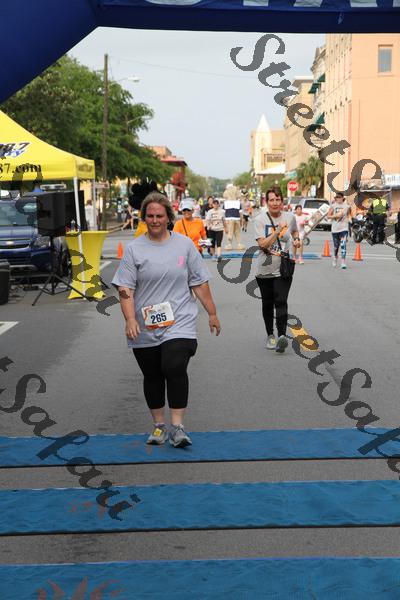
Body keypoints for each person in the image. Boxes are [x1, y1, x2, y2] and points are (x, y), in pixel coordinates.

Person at [112, 192, 221, 448]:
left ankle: (178, 427)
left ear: (168, 217)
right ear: (143, 217)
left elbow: (199, 282)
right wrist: (129, 318)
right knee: (152, 375)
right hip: (145, 324)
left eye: (159, 216)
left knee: (174, 366)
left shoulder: (184, 246)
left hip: (179, 321)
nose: (154, 220)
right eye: (150, 216)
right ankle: (159, 426)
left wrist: (212, 313)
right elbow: (125, 288)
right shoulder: (134, 249)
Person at [254, 188, 300, 353]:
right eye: (271, 200)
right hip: (264, 269)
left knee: (281, 301)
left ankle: (281, 336)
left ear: (282, 201)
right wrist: (278, 231)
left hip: (283, 268)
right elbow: (263, 245)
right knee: (267, 303)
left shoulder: (290, 217)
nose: (275, 203)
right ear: (267, 202)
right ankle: (270, 335)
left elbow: (294, 230)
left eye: (277, 199)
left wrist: (296, 239)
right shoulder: (259, 220)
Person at [328, 192, 351, 268]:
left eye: (339, 197)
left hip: (344, 228)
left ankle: (343, 262)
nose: (338, 199)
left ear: (342, 198)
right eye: (336, 197)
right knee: (336, 246)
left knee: (343, 245)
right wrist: (336, 216)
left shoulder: (346, 206)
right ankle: (335, 257)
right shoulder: (333, 206)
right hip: (335, 228)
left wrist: (350, 219)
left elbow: (349, 215)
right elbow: (328, 216)